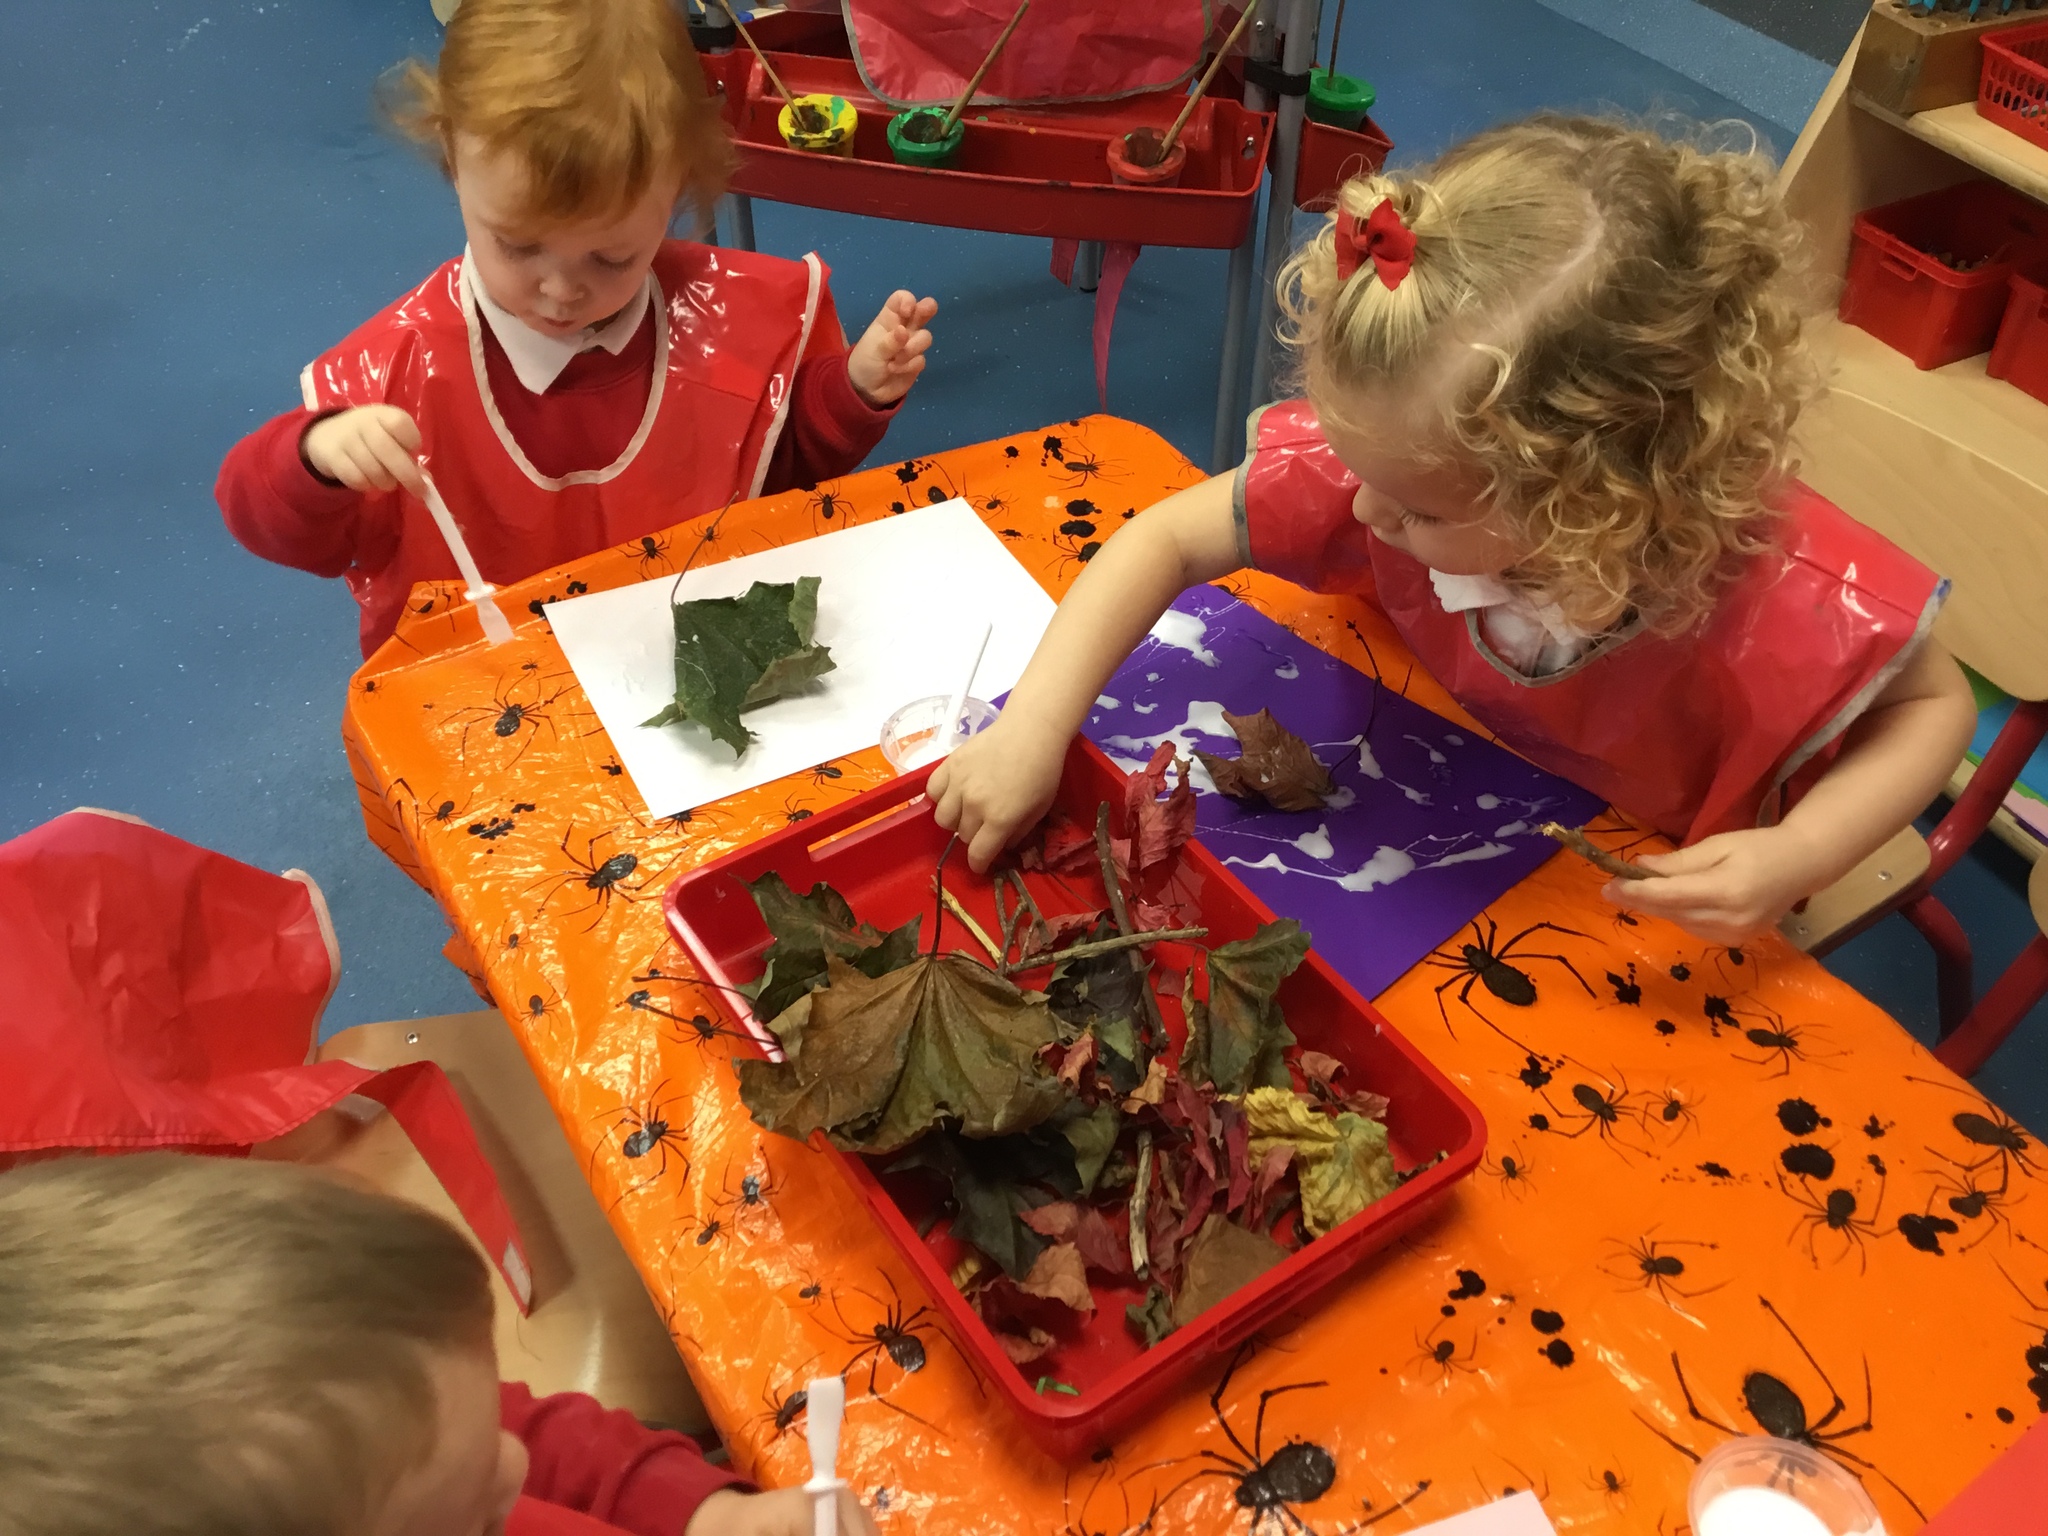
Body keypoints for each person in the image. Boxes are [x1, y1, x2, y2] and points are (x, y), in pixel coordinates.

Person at [931, 116, 1977, 943]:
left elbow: (1935, 708)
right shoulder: (1398, 466)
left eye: (1419, 509)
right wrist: (1032, 728)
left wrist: (1801, 853)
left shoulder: (1771, 585)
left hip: (1635, 901)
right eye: (1360, 471)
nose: (1363, 510)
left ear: (1592, 500)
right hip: (1430, 793)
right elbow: (1163, 537)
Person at [216, 0, 938, 656]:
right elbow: (274, 525)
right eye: (517, 246)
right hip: (491, 702)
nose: (561, 291)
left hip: (686, 672)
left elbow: (774, 467)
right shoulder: (393, 373)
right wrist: (314, 459)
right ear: (453, 159)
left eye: (611, 257)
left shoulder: (726, 316)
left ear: (676, 192)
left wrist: (850, 393)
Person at [0, 1153, 880, 1536]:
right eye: (477, 1523)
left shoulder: (407, 1452)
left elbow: (526, 1444)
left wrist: (702, 1516)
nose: (512, 1467)